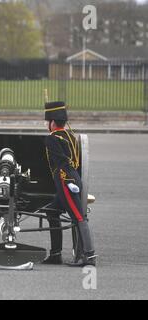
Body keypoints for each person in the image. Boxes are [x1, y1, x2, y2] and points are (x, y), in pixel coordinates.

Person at [42, 101, 96, 266]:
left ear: (52, 122)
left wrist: (68, 182)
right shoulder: (71, 136)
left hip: (65, 180)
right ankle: (56, 253)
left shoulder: (52, 138)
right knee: (51, 211)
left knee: (79, 216)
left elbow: (62, 163)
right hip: (72, 178)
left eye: (47, 122)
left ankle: (88, 255)